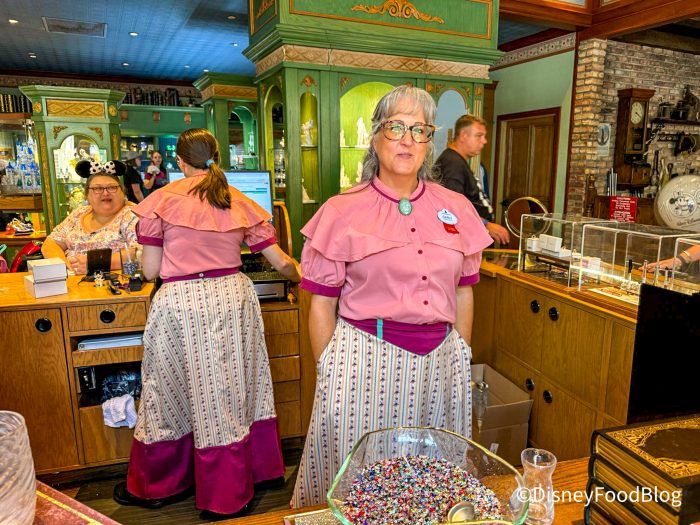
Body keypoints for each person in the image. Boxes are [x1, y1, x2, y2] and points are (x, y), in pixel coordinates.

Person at [290, 86, 493, 507]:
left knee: (431, 478)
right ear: (376, 136)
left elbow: (464, 289)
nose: (407, 139)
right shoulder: (342, 211)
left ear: (429, 140)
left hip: (440, 363)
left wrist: (460, 351)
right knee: (360, 482)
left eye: (419, 130)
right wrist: (331, 368)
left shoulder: (456, 207)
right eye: (396, 127)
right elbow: (322, 302)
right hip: (365, 359)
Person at [113, 128, 301, 519]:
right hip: (232, 299)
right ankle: (240, 483)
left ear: (179, 162)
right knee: (233, 390)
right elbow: (282, 263)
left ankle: (161, 485)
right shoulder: (238, 200)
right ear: (217, 156)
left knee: (167, 390)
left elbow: (150, 272)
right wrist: (304, 277)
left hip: (180, 304)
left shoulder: (160, 202)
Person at [41, 159, 138, 275]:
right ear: (87, 194)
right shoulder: (79, 213)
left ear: (123, 191)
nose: (105, 193)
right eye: (97, 188)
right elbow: (50, 243)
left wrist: (95, 263)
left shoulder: (132, 215)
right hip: (70, 281)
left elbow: (139, 253)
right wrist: (65, 267)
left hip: (112, 283)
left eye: (112, 187)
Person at [434, 115, 510, 245]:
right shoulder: (453, 163)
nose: (484, 141)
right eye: (479, 136)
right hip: (464, 241)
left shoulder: (457, 161)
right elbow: (451, 208)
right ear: (463, 135)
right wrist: (486, 224)